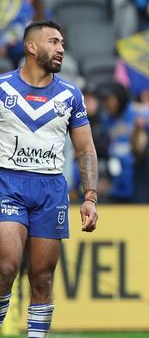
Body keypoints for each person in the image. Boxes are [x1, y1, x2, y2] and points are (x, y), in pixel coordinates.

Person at [0, 20, 98, 337]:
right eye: (53, 42)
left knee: (42, 277)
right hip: (8, 185)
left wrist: (90, 196)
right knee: (6, 265)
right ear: (31, 47)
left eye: (62, 43)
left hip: (50, 190)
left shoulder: (70, 95)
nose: (61, 49)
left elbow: (85, 150)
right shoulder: (2, 90)